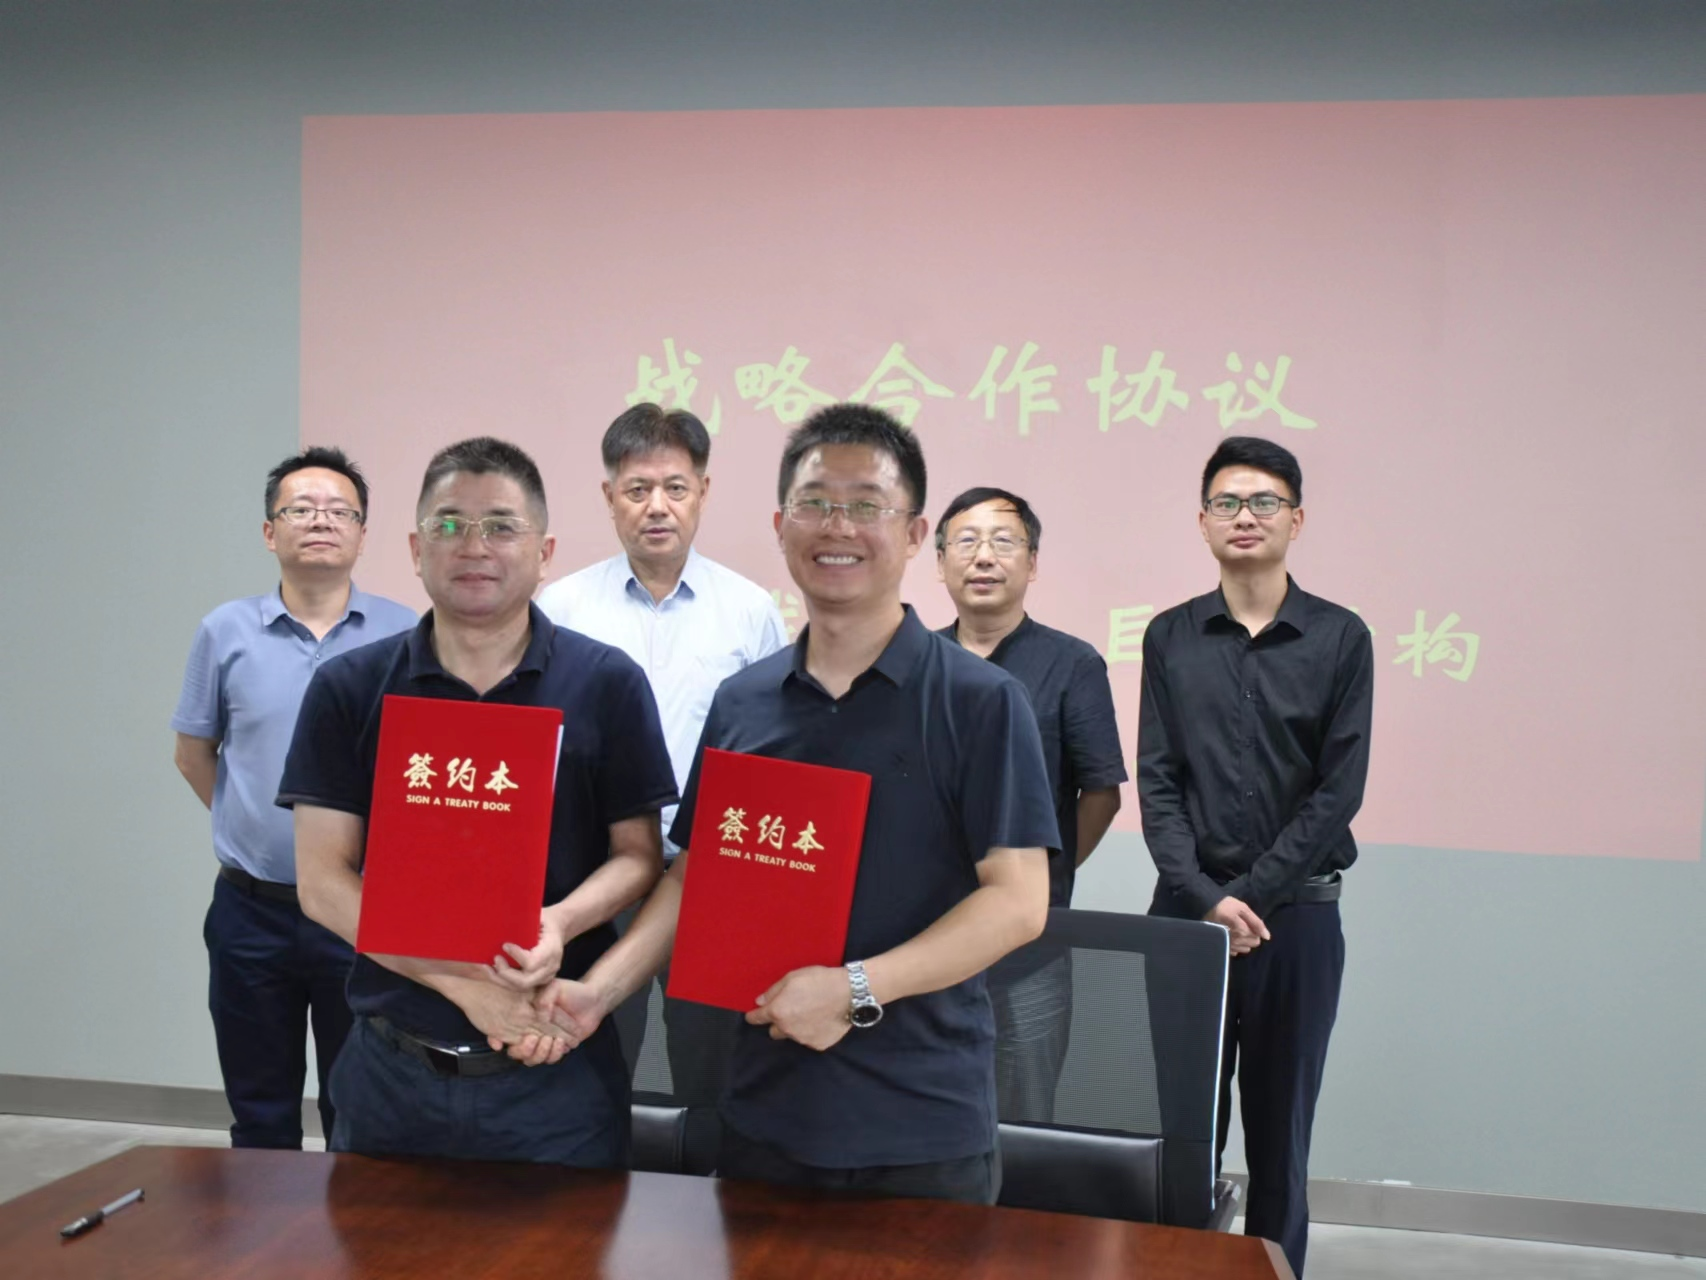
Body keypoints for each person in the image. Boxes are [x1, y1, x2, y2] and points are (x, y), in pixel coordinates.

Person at [527, 404, 1059, 1204]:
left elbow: (1017, 904)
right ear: (781, 527)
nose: (837, 526)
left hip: (920, 1123)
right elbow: (695, 876)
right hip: (765, 1112)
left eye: (866, 505)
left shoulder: (980, 701)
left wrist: (854, 988)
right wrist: (599, 993)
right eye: (814, 503)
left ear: (915, 534)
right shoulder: (745, 701)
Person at [277, 437, 678, 1165]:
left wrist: (558, 923)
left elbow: (638, 856)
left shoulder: (606, 682)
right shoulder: (350, 687)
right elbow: (323, 883)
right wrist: (463, 986)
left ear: (544, 552)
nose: (474, 545)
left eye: (500, 525)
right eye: (449, 524)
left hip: (555, 1070)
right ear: (415, 548)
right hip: (392, 1070)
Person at [1137, 436, 1373, 1277]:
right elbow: (1157, 782)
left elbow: (1337, 791)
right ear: (1203, 521)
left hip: (1296, 920)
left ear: (1296, 520)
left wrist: (1252, 896)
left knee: (1280, 1140)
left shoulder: (1341, 638)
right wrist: (1206, 897)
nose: (1246, 516)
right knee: (1177, 1135)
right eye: (1228, 502)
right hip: (1186, 919)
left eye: (1264, 501)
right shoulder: (1169, 636)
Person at [537, 403, 785, 1102]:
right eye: (638, 488)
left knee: (712, 1072)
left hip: (711, 880)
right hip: (594, 879)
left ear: (703, 491)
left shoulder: (750, 611)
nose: (657, 506)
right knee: (590, 1063)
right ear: (609, 496)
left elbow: (774, 756)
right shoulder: (559, 609)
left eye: (676, 488)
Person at [171, 446, 416, 1149]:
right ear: (269, 530)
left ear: (362, 534)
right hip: (253, 911)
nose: (321, 521)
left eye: (340, 511)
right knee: (260, 1110)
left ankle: (353, 1222)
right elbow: (194, 753)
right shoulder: (225, 631)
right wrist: (251, 826)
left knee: (359, 1107)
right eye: (301, 509)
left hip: (361, 909)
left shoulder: (405, 634)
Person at [934, 487, 1126, 1122]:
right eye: (966, 541)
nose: (984, 557)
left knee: (1023, 1118)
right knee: (927, 1108)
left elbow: (1100, 793)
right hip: (925, 934)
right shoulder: (914, 662)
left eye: (1003, 541)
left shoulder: (1072, 663)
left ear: (1032, 562)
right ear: (940, 562)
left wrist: (1044, 874)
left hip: (1031, 945)